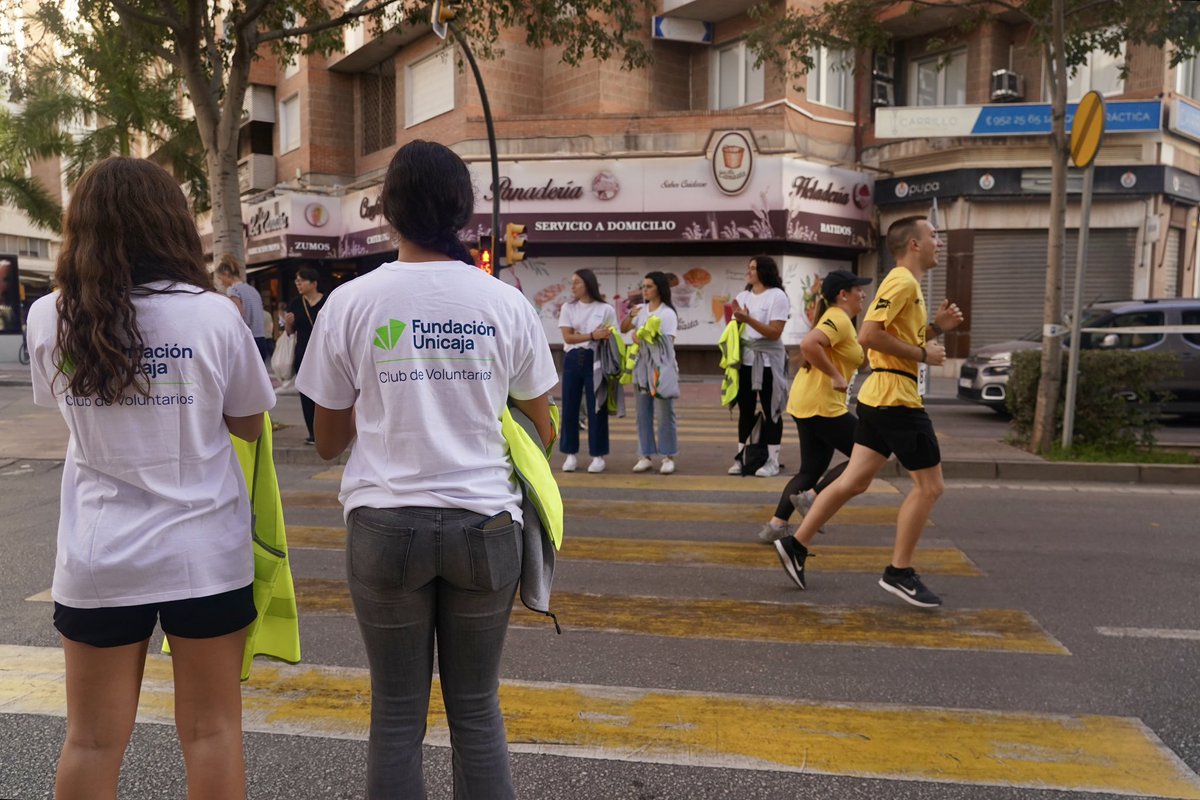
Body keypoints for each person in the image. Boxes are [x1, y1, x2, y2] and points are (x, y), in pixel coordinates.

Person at [296, 139, 557, 800]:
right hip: (486, 526)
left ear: (387, 211)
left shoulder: (350, 303)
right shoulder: (504, 304)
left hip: (385, 526)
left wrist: (388, 394)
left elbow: (327, 443)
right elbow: (544, 430)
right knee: (477, 711)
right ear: (462, 211)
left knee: (395, 714)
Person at [24, 156, 276, 800]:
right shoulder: (214, 315)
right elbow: (249, 425)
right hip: (205, 553)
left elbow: (62, 408)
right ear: (170, 225)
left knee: (91, 741)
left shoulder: (50, 315)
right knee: (213, 733)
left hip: (99, 553)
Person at [774, 216, 964, 607]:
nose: (939, 242)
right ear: (913, 244)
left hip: (879, 395)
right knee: (930, 487)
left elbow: (892, 338)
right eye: (933, 236)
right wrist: (923, 353)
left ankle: (796, 544)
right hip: (896, 398)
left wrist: (935, 328)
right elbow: (869, 335)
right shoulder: (902, 281)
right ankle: (899, 572)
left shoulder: (905, 285)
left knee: (854, 481)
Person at [756, 270, 871, 543]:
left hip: (808, 402)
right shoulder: (838, 318)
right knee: (867, 455)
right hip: (822, 404)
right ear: (843, 294)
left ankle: (775, 526)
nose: (863, 294)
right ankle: (812, 498)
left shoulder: (841, 321)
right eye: (858, 289)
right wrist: (836, 375)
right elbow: (809, 345)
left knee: (810, 469)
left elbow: (853, 357)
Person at [728, 255, 790, 477]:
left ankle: (772, 460)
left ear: (765, 271)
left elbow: (775, 333)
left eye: (753, 268)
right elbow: (735, 329)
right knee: (745, 410)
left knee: (771, 409)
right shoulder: (743, 296)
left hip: (768, 361)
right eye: (749, 267)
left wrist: (748, 320)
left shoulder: (777, 296)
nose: (749, 271)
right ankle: (742, 457)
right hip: (745, 361)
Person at [619, 271, 679, 474]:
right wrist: (631, 315)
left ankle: (668, 455)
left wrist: (641, 338)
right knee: (642, 413)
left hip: (661, 368)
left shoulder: (667, 313)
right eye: (643, 286)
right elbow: (624, 328)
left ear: (659, 288)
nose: (645, 290)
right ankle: (644, 455)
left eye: (649, 286)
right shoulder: (641, 310)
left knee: (664, 414)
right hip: (641, 367)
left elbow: (668, 342)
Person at [558, 268, 617, 473]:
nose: (573, 286)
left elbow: (610, 334)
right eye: (572, 282)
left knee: (597, 407)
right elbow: (568, 337)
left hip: (596, 358)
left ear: (588, 284)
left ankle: (598, 455)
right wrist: (592, 335)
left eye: (577, 282)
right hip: (572, 358)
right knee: (570, 406)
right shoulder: (568, 308)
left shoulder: (605, 308)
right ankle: (570, 453)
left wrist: (583, 335)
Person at [285, 266, 326, 444]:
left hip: (324, 354)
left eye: (302, 281)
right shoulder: (295, 303)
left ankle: (327, 432)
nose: (298, 284)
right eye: (297, 281)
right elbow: (289, 332)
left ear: (314, 283)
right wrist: (288, 324)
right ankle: (313, 433)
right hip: (303, 353)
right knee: (306, 394)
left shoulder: (327, 301)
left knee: (325, 393)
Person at [215, 254, 273, 361]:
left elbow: (237, 317)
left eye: (220, 278)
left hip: (246, 343)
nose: (221, 283)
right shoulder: (253, 290)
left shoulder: (233, 291)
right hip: (261, 340)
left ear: (226, 274)